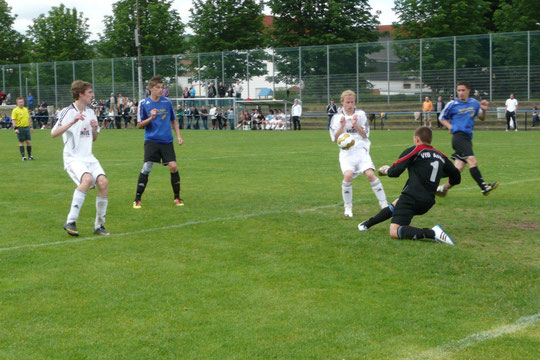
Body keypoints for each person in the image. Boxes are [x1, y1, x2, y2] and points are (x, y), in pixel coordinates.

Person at [358, 127, 460, 245]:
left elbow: (395, 172)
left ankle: (433, 233)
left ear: (417, 139)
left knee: (394, 232)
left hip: (412, 197)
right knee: (397, 204)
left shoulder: (416, 150)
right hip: (428, 201)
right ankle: (366, 224)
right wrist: (445, 187)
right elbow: (456, 177)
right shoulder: (441, 155)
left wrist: (385, 170)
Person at [51, 80, 110, 236]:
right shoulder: (68, 111)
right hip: (73, 158)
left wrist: (95, 129)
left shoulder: (90, 113)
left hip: (88, 157)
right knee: (87, 179)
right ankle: (71, 221)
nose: (92, 95)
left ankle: (99, 226)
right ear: (80, 94)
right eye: (90, 92)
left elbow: (94, 138)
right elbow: (54, 134)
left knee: (103, 182)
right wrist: (73, 121)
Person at [329, 90, 388, 217]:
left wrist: (355, 125)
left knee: (370, 175)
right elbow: (334, 138)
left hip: (361, 150)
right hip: (346, 153)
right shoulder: (337, 118)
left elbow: (365, 134)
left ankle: (384, 205)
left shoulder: (360, 114)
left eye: (352, 102)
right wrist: (342, 126)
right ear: (342, 103)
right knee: (348, 175)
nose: (350, 105)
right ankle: (348, 208)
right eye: (347, 102)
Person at [437, 81, 498, 196]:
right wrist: (450, 127)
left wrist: (484, 110)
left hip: (467, 138)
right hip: (458, 137)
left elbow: (482, 118)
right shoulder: (452, 104)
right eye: (459, 90)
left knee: (457, 169)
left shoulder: (474, 103)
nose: (460, 93)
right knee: (472, 160)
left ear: (468, 91)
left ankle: (441, 188)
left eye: (463, 90)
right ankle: (483, 187)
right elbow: (441, 117)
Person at [133, 76, 184, 209]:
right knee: (147, 167)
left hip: (167, 140)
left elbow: (173, 120)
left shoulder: (167, 102)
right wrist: (151, 117)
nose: (161, 90)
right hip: (152, 141)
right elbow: (139, 125)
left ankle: (177, 197)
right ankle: (137, 199)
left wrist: (178, 136)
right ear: (150, 88)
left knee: (173, 167)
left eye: (162, 87)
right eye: (158, 87)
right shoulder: (144, 103)